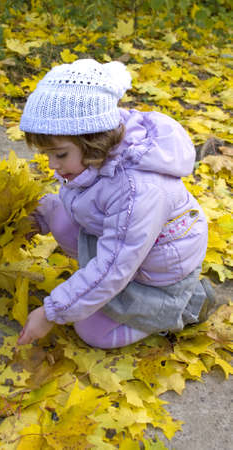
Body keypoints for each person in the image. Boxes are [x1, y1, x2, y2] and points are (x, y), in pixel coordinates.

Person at [17, 59, 215, 349]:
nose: (52, 166)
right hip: (124, 244)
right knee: (57, 215)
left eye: (59, 155)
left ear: (93, 140)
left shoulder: (138, 188)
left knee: (92, 331)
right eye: (48, 155)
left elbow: (115, 266)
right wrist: (40, 216)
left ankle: (186, 305)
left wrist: (52, 312)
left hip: (155, 275)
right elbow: (83, 200)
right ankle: (90, 289)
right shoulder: (94, 155)